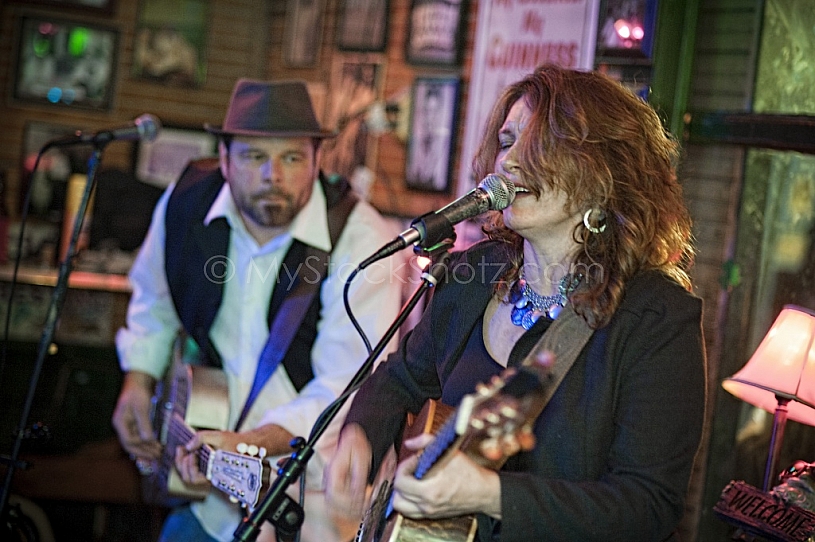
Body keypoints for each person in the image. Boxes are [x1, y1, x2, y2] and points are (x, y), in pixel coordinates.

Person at [324, 64, 707, 541]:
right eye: (507, 142)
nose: (510, 161)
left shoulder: (656, 317)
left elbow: (648, 507)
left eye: (541, 143)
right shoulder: (473, 273)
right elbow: (401, 378)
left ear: (605, 172)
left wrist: (491, 495)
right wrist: (361, 435)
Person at [111, 79, 405, 542]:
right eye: (254, 157)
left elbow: (346, 384)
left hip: (308, 502)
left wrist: (252, 444)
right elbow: (154, 298)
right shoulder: (186, 202)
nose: (274, 175)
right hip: (206, 494)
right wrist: (139, 379)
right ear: (224, 160)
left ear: (316, 161)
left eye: (292, 158)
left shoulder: (363, 240)